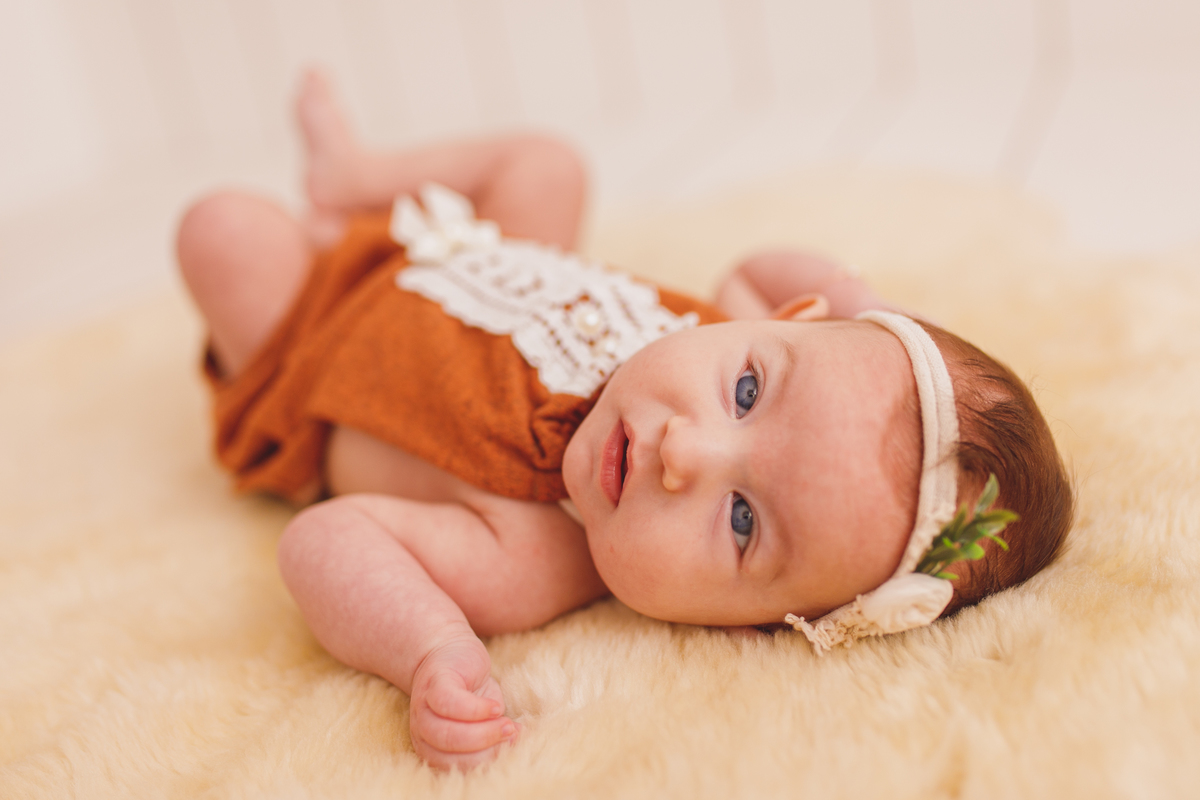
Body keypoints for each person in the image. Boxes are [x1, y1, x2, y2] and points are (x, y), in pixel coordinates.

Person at [177, 71, 1073, 770]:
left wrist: (429, 644)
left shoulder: (538, 551)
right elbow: (762, 277)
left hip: (316, 338)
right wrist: (858, 297)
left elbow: (326, 539)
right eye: (751, 393)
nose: (686, 450)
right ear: (788, 326)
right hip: (476, 254)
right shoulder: (716, 336)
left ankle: (324, 236)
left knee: (223, 231)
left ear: (745, 627)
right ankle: (353, 181)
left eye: (742, 521)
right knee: (548, 165)